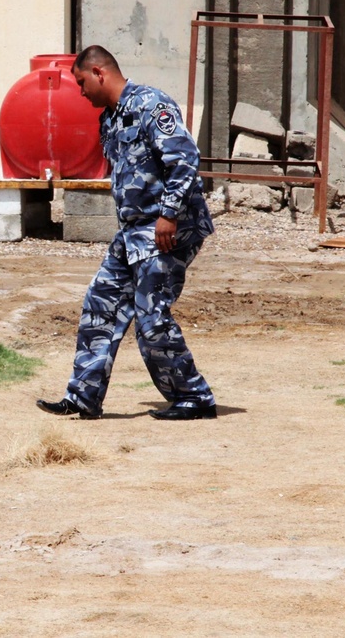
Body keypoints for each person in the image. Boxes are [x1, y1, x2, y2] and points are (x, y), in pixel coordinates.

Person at [36, 45, 217, 421]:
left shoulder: (152, 104)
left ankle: (194, 397)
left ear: (100, 72)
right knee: (100, 304)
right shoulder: (110, 119)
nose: (81, 92)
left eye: (82, 82)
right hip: (134, 233)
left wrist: (168, 215)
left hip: (168, 229)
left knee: (151, 317)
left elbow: (184, 162)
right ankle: (83, 397)